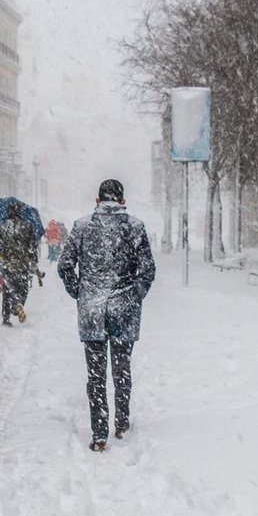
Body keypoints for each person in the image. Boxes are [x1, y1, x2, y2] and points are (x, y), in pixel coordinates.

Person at [57, 179, 155, 452]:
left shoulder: (81, 227)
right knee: (122, 370)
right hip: (124, 309)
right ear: (123, 201)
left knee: (96, 374)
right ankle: (121, 424)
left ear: (97, 200)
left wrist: (80, 292)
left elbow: (65, 265)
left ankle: (99, 433)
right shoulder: (135, 227)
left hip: (92, 309)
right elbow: (148, 270)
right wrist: (133, 295)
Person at [0, 201, 39, 326]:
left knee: (7, 292)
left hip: (8, 265)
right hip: (23, 266)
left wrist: (5, 254)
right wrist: (33, 260)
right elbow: (33, 246)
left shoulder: (2, 227)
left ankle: (6, 318)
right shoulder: (27, 226)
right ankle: (18, 304)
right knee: (22, 288)